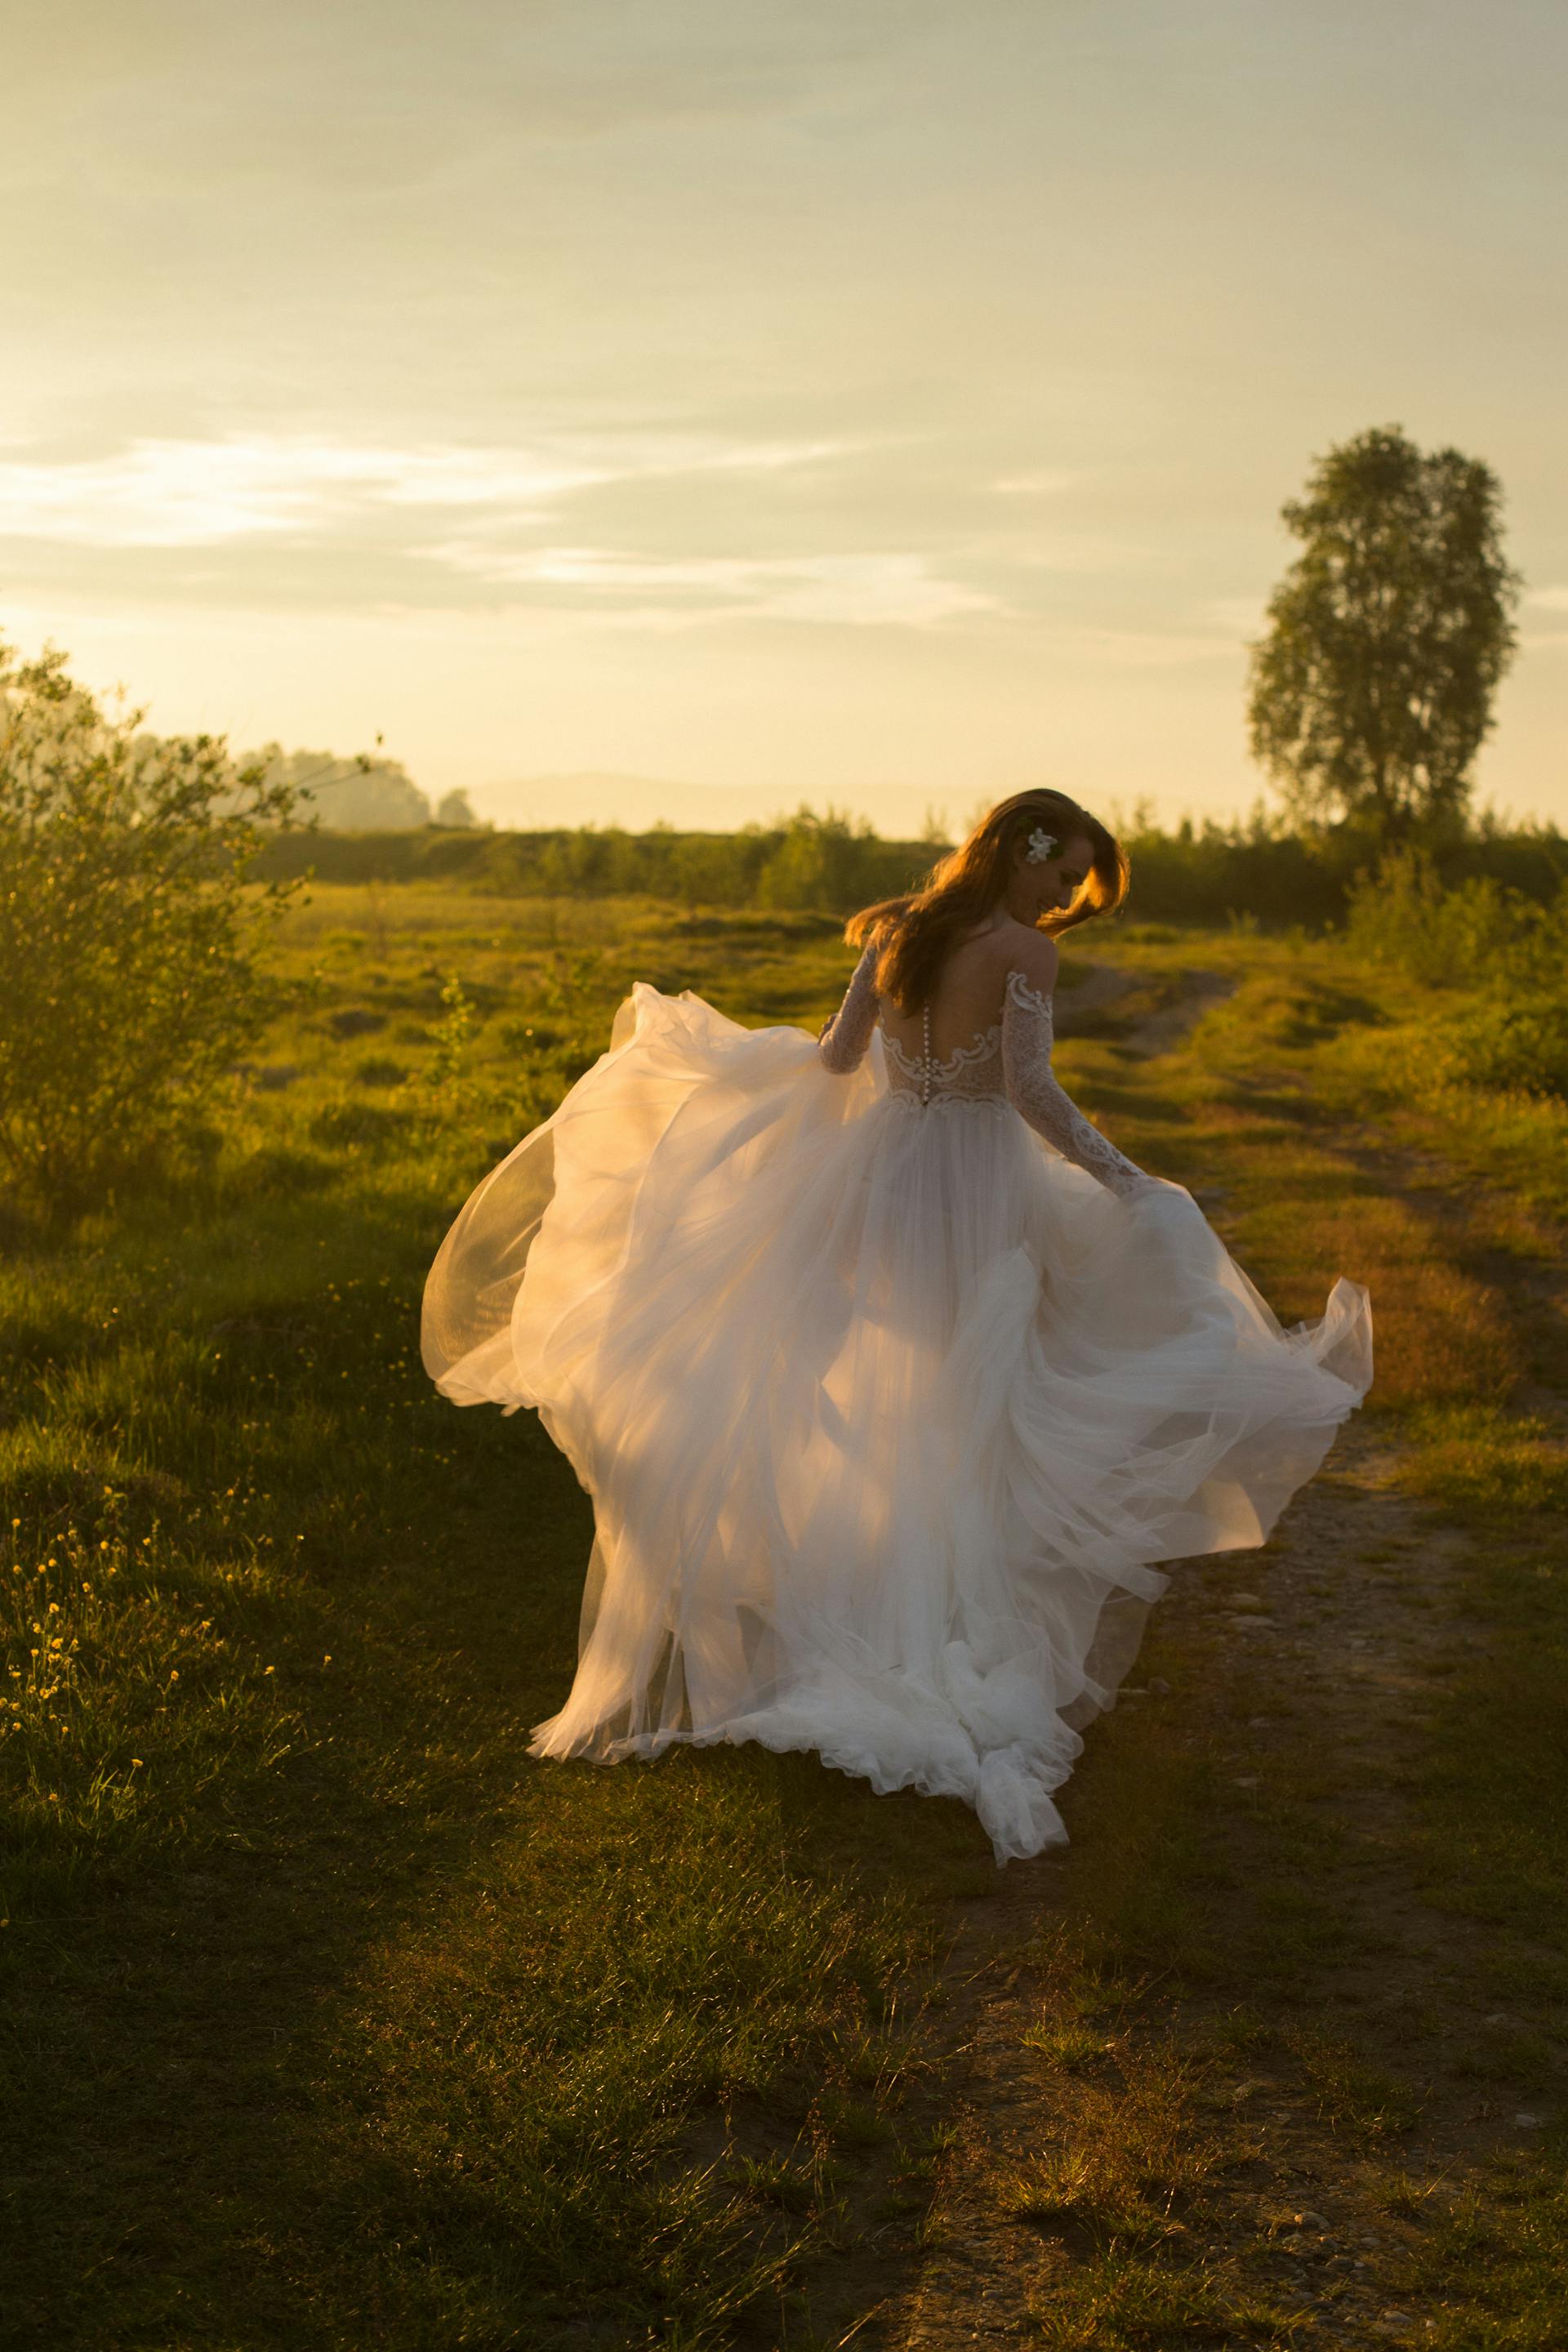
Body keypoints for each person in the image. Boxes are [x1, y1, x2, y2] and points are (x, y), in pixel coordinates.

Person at [421, 790, 1372, 1864]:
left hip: (881, 1181)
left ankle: (871, 1608)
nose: (1063, 905)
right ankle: (937, 1630)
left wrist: (763, 1120)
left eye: (1076, 894)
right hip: (973, 1187)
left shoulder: (898, 931)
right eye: (1064, 881)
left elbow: (834, 1063)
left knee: (900, 1392)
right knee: (971, 1408)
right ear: (1024, 852)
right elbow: (1029, 1091)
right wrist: (1128, 1178)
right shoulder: (1023, 954)